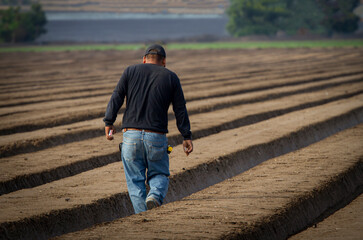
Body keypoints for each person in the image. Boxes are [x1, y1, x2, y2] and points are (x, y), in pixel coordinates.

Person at [103, 44, 193, 214]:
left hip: (130, 136)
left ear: (144, 59)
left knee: (135, 181)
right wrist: (186, 135)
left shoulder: (130, 71)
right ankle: (154, 196)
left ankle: (142, 218)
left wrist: (109, 121)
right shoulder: (171, 77)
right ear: (164, 61)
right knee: (159, 174)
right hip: (156, 136)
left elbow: (117, 96)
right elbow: (180, 109)